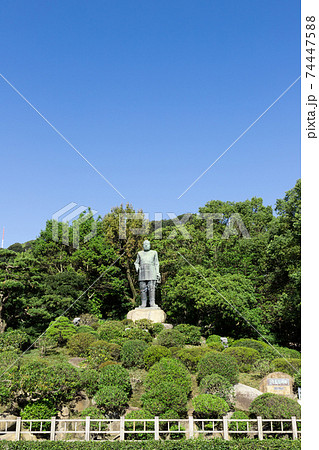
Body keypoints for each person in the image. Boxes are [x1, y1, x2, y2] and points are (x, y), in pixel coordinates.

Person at [134, 240, 161, 307]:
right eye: (144, 244)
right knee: (142, 288)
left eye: (147, 244)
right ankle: (143, 303)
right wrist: (137, 268)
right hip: (142, 272)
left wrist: (157, 273)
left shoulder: (154, 253)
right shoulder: (139, 253)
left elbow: (156, 263)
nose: (146, 245)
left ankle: (152, 302)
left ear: (150, 245)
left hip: (152, 272)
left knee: (151, 288)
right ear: (142, 245)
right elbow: (136, 263)